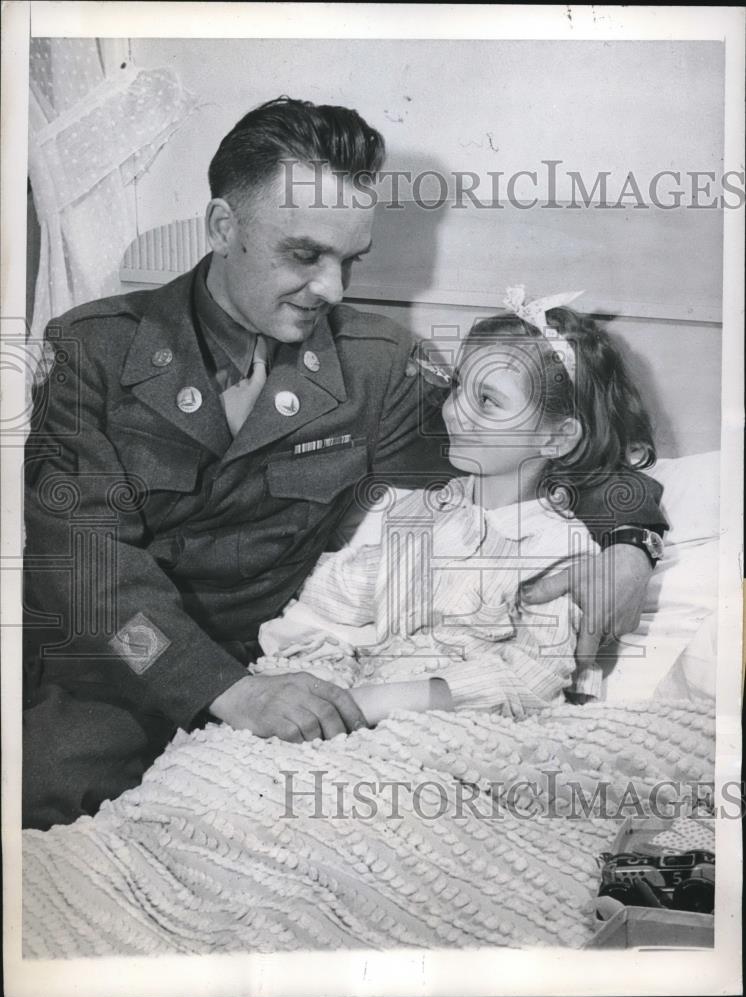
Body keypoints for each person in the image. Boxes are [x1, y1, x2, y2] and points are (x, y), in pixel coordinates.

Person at [23, 98, 666, 830]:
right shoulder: (92, 350)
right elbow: (84, 560)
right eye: (304, 255)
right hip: (127, 663)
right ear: (223, 227)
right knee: (39, 808)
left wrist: (628, 542)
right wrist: (229, 691)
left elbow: (526, 459)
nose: (331, 289)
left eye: (349, 260)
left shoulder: (377, 368)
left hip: (300, 672)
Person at [256, 297, 662, 722]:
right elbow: (338, 600)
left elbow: (530, 681)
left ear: (557, 438)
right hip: (364, 701)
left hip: (461, 723)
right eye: (456, 386)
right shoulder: (423, 510)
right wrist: (318, 676)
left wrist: (376, 702)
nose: (453, 410)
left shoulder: (560, 548)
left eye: (487, 400)